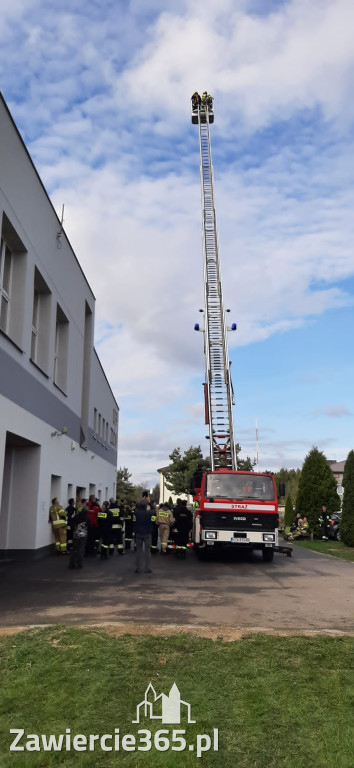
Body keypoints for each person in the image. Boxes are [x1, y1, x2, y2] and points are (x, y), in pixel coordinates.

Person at [134, 491, 154, 573]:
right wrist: (148, 501)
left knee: (138, 551)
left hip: (138, 533)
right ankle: (147, 568)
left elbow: (137, 506)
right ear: (146, 506)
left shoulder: (136, 512)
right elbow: (153, 509)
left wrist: (142, 500)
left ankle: (138, 568)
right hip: (147, 533)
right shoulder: (149, 513)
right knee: (147, 551)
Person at [69, 503, 92, 569]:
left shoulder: (76, 516)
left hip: (76, 535)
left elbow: (71, 523)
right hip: (83, 536)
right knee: (81, 550)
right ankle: (79, 564)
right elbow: (90, 526)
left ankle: (72, 564)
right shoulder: (87, 518)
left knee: (74, 549)